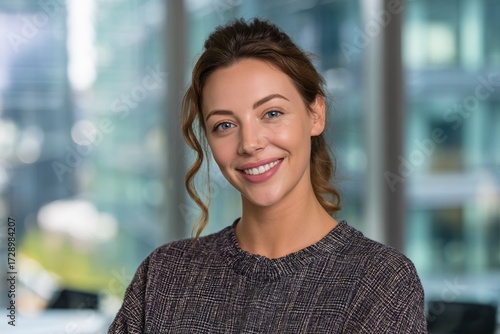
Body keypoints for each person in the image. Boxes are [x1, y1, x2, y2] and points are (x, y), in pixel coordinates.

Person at [108, 18, 426, 333]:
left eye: (271, 114)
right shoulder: (164, 275)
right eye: (225, 125)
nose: (249, 143)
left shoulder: (381, 282)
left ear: (315, 115)